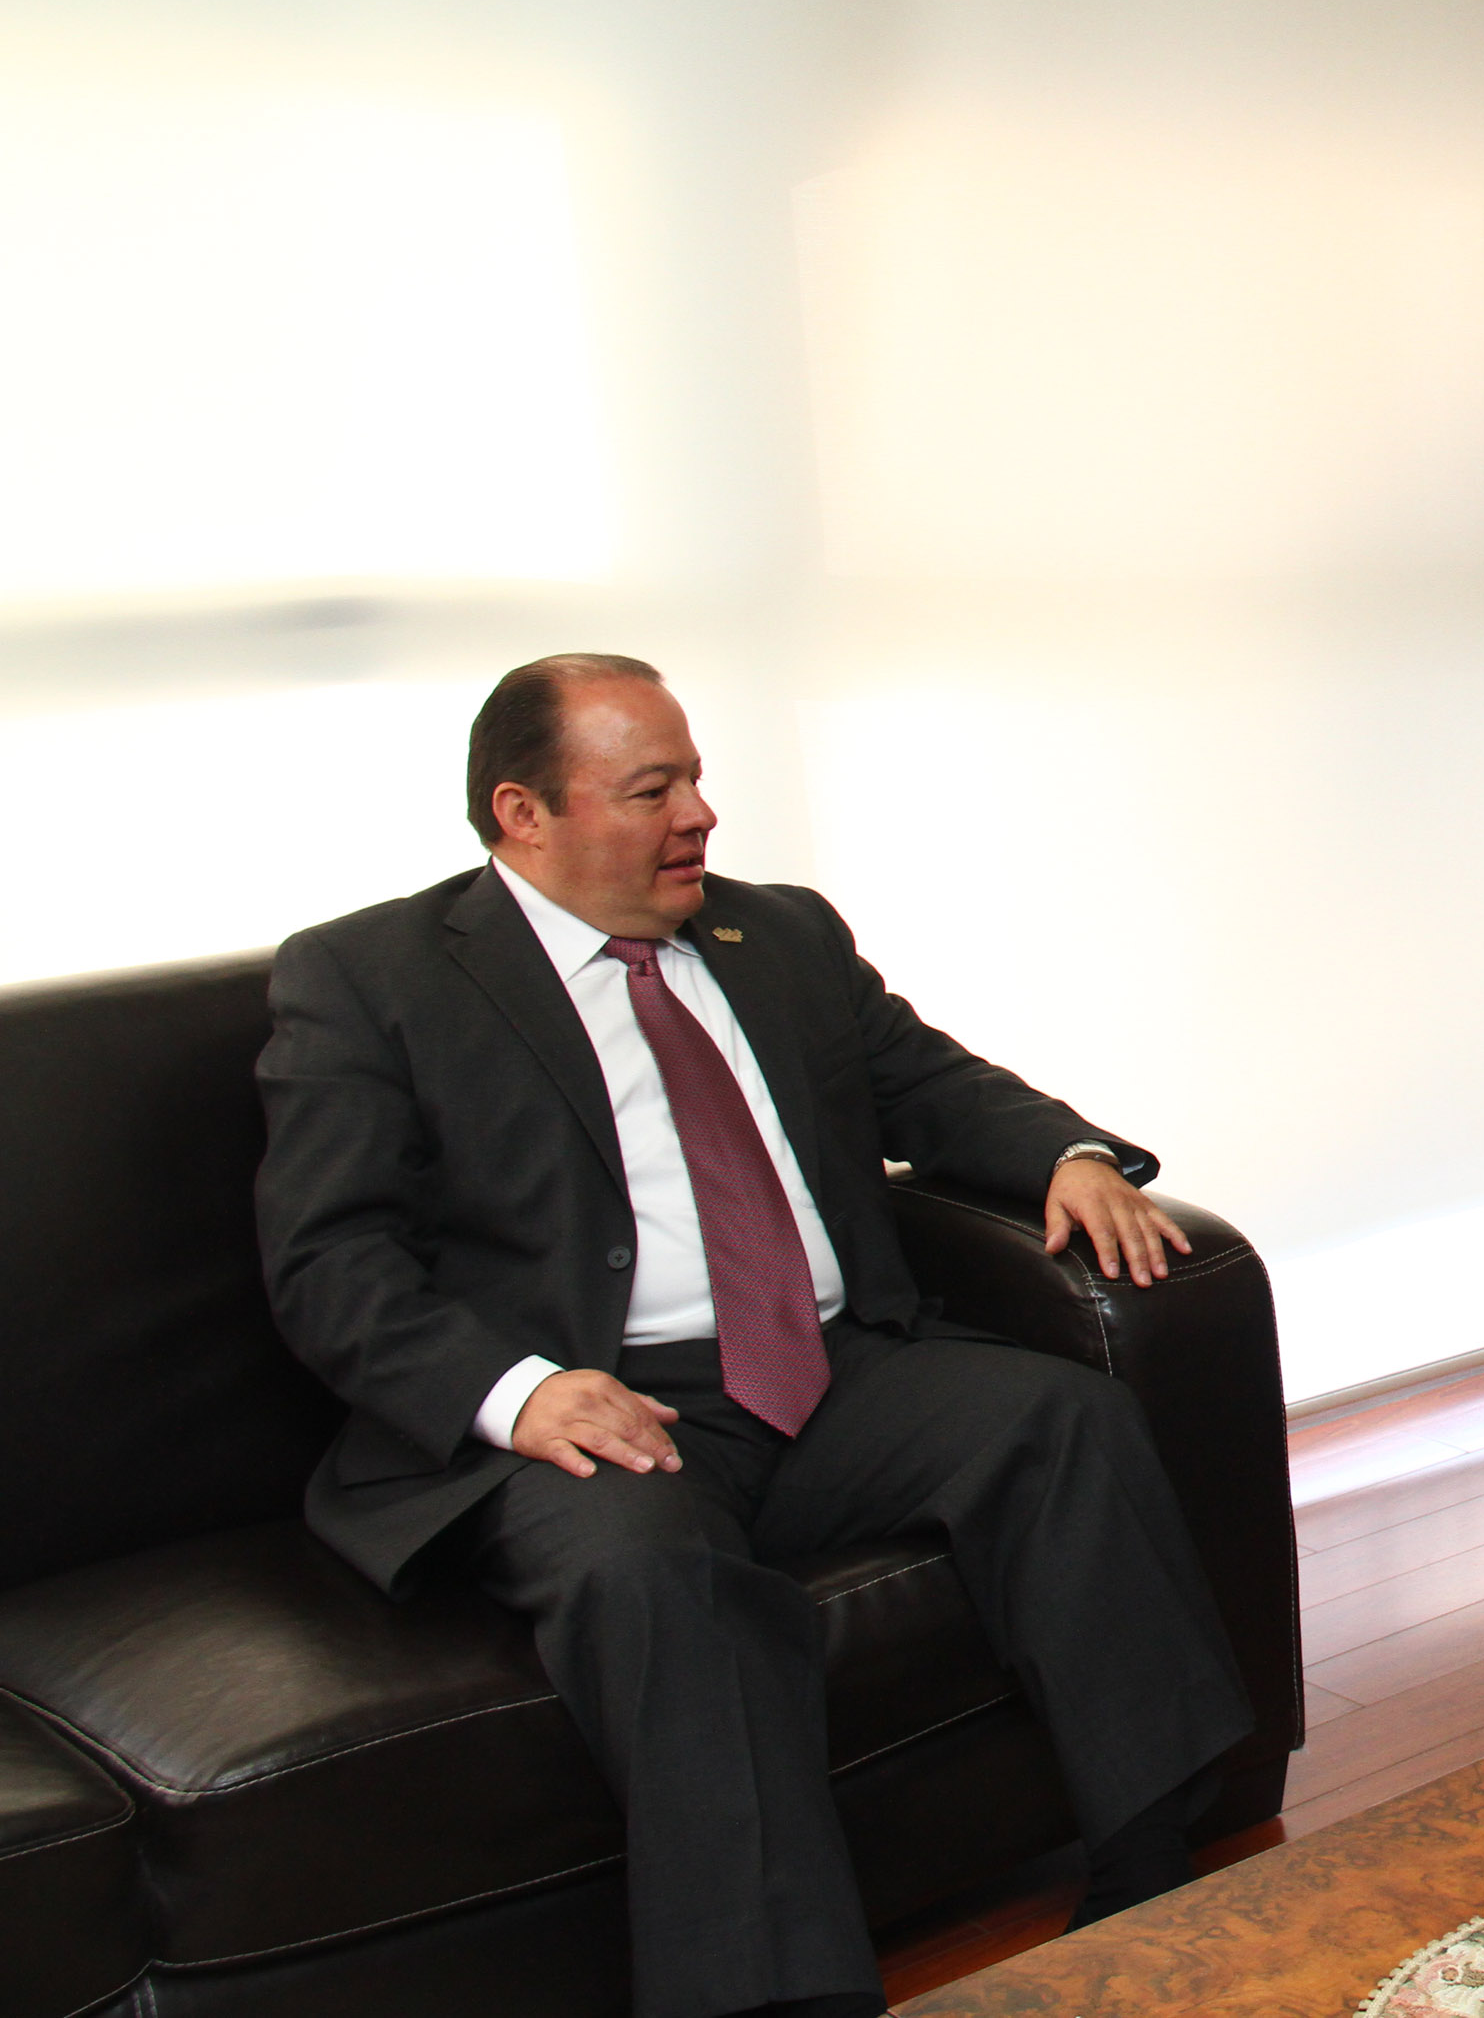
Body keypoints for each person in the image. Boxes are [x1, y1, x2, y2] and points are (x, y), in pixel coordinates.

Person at [255, 653, 1253, 2018]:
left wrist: (1068, 1155)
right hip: (599, 1406)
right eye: (650, 789)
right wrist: (519, 1390)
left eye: (696, 778)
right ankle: (786, 1999)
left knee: (1061, 1420)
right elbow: (328, 1258)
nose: (699, 815)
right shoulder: (370, 977)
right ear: (523, 813)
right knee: (661, 1583)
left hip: (829, 1369)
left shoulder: (776, 933)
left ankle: (1157, 1865)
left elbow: (926, 1081)